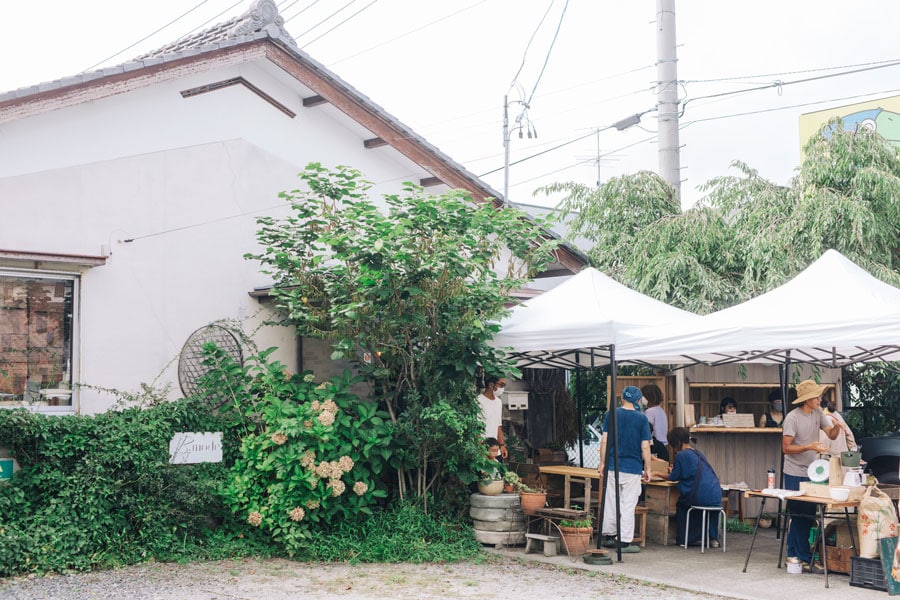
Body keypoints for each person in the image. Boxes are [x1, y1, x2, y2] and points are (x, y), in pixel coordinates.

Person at [782, 379, 845, 573]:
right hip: (794, 471)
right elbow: (786, 448)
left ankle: (793, 555)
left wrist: (837, 427)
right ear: (806, 399)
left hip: (812, 471)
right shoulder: (792, 418)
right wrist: (810, 446)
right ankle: (801, 556)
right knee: (800, 514)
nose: (820, 399)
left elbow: (831, 435)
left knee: (807, 515)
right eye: (817, 396)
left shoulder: (818, 413)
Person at [598, 385, 652, 554]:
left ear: (622, 398)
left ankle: (609, 535)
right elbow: (645, 446)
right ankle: (624, 541)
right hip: (633, 468)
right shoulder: (642, 419)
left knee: (611, 500)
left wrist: (602, 462)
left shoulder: (611, 414)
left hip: (613, 465)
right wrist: (648, 468)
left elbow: (605, 440)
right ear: (638, 400)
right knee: (628, 504)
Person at [663, 427, 722, 547]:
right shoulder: (698, 453)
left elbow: (673, 477)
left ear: (678, 443)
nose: (674, 449)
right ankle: (712, 538)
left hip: (700, 496)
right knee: (705, 504)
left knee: (682, 505)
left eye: (673, 446)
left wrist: (656, 473)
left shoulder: (681, 455)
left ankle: (686, 539)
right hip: (716, 495)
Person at [477, 374, 507, 459]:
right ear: (491, 385)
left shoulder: (498, 402)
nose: (502, 388)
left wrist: (502, 445)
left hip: (495, 451)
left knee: (499, 472)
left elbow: (498, 426)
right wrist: (481, 450)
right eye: (501, 385)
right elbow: (476, 429)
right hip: (483, 452)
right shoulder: (478, 401)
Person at [642, 383, 669, 461]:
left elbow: (647, 430)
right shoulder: (661, 410)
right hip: (664, 445)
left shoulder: (650, 412)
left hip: (654, 447)